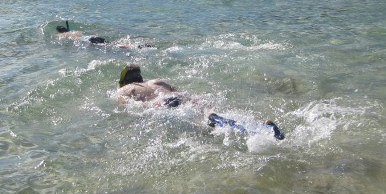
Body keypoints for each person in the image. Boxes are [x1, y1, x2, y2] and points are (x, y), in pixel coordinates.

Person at [116, 65, 285, 139]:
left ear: (123, 81)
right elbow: (186, 95)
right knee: (212, 119)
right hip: (181, 99)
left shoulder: (124, 90)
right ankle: (264, 128)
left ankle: (257, 132)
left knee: (205, 129)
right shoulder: (156, 81)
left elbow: (132, 108)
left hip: (163, 105)